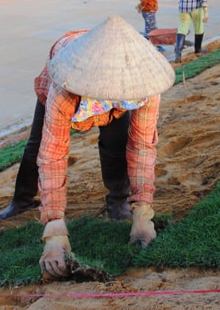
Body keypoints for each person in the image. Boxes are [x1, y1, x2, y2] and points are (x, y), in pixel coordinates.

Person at [28, 16, 175, 278]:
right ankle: (21, 199)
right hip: (68, 81)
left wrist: (143, 212)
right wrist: (55, 229)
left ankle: (118, 201)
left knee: (117, 146)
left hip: (111, 99)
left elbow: (143, 146)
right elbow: (53, 155)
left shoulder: (144, 86)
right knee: (37, 148)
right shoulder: (65, 86)